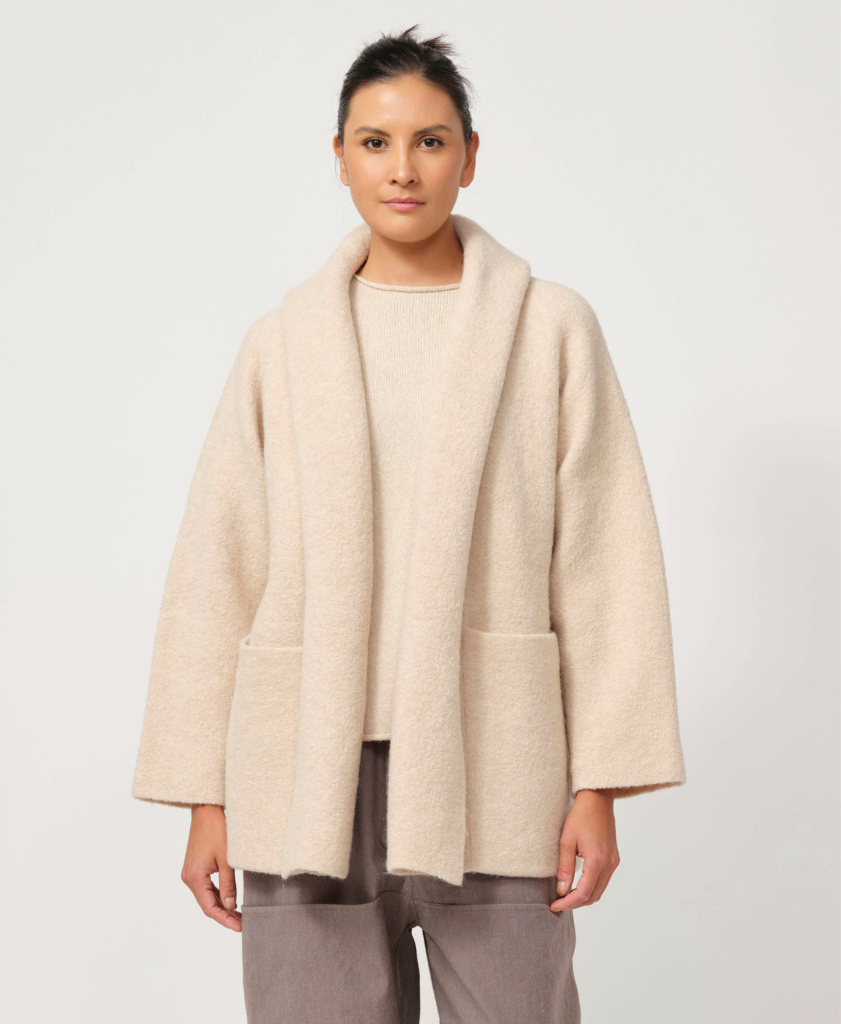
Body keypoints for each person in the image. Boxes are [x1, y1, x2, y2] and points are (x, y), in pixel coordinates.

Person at [131, 24, 687, 1024]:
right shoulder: (281, 345)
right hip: (305, 772)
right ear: (339, 158)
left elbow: (605, 561)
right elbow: (219, 567)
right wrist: (205, 797)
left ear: (469, 157)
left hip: (497, 762)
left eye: (431, 141)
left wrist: (599, 783)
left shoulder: (548, 329)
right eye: (375, 141)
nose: (403, 168)